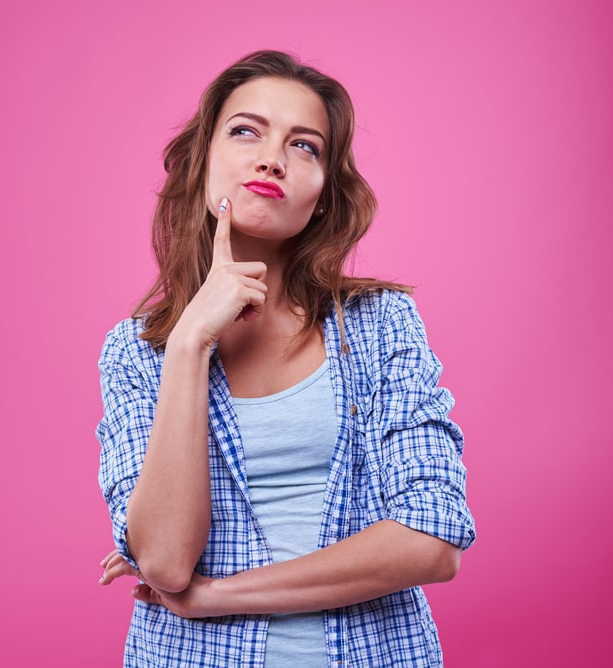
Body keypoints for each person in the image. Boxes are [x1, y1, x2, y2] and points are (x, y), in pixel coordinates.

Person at [96, 50, 475, 667]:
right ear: (202, 164)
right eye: (246, 131)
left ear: (322, 195)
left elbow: (432, 539)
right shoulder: (140, 351)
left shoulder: (379, 326)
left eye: (305, 146)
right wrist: (191, 343)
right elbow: (165, 559)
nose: (272, 156)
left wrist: (216, 596)